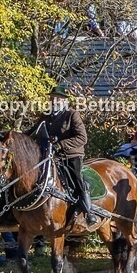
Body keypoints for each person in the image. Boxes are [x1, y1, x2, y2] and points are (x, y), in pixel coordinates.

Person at [30, 85, 97, 226]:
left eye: (57, 99)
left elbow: (82, 138)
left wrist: (60, 144)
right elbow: (33, 131)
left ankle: (88, 211)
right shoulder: (46, 115)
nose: (54, 101)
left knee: (77, 177)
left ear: (64, 100)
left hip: (71, 155)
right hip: (50, 155)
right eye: (52, 98)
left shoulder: (72, 114)